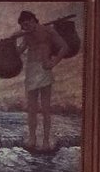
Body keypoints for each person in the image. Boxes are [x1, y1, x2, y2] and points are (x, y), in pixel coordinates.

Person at [16, 10, 68, 152]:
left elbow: (64, 47)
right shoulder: (26, 35)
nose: (25, 27)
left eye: (27, 24)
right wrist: (13, 40)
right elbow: (19, 51)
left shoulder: (48, 31)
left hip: (44, 69)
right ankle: (32, 139)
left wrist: (53, 62)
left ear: (33, 20)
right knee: (31, 109)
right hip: (31, 71)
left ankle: (45, 140)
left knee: (45, 108)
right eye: (23, 26)